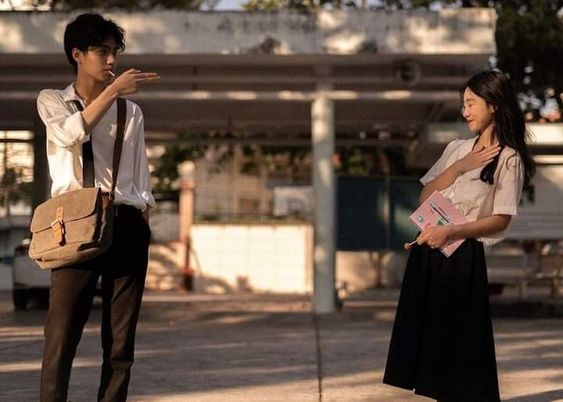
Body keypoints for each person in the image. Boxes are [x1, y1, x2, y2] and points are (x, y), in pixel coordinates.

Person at [383, 70, 535, 401]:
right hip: (428, 250)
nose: (464, 111)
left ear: (493, 104)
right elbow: (425, 197)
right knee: (428, 342)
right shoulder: (457, 149)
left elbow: (501, 220)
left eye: (471, 103)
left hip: (462, 255)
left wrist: (452, 230)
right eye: (462, 104)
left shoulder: (509, 158)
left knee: (459, 345)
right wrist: (459, 167)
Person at [36, 13, 159, 402]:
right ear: (77, 54)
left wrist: (143, 214)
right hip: (75, 224)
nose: (111, 61)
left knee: (120, 344)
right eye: (102, 51)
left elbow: (140, 174)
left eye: (114, 53)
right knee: (61, 337)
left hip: (125, 221)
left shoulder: (131, 111)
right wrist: (112, 91)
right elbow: (70, 133)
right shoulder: (54, 101)